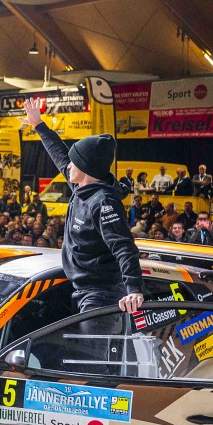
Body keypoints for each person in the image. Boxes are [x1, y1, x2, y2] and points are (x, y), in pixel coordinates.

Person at [25, 98, 143, 312]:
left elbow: (124, 246)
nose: (68, 165)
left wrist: (134, 288)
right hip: (80, 287)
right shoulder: (82, 187)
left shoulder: (104, 202)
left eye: (74, 162)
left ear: (86, 168)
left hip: (101, 294)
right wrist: (39, 125)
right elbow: (60, 155)